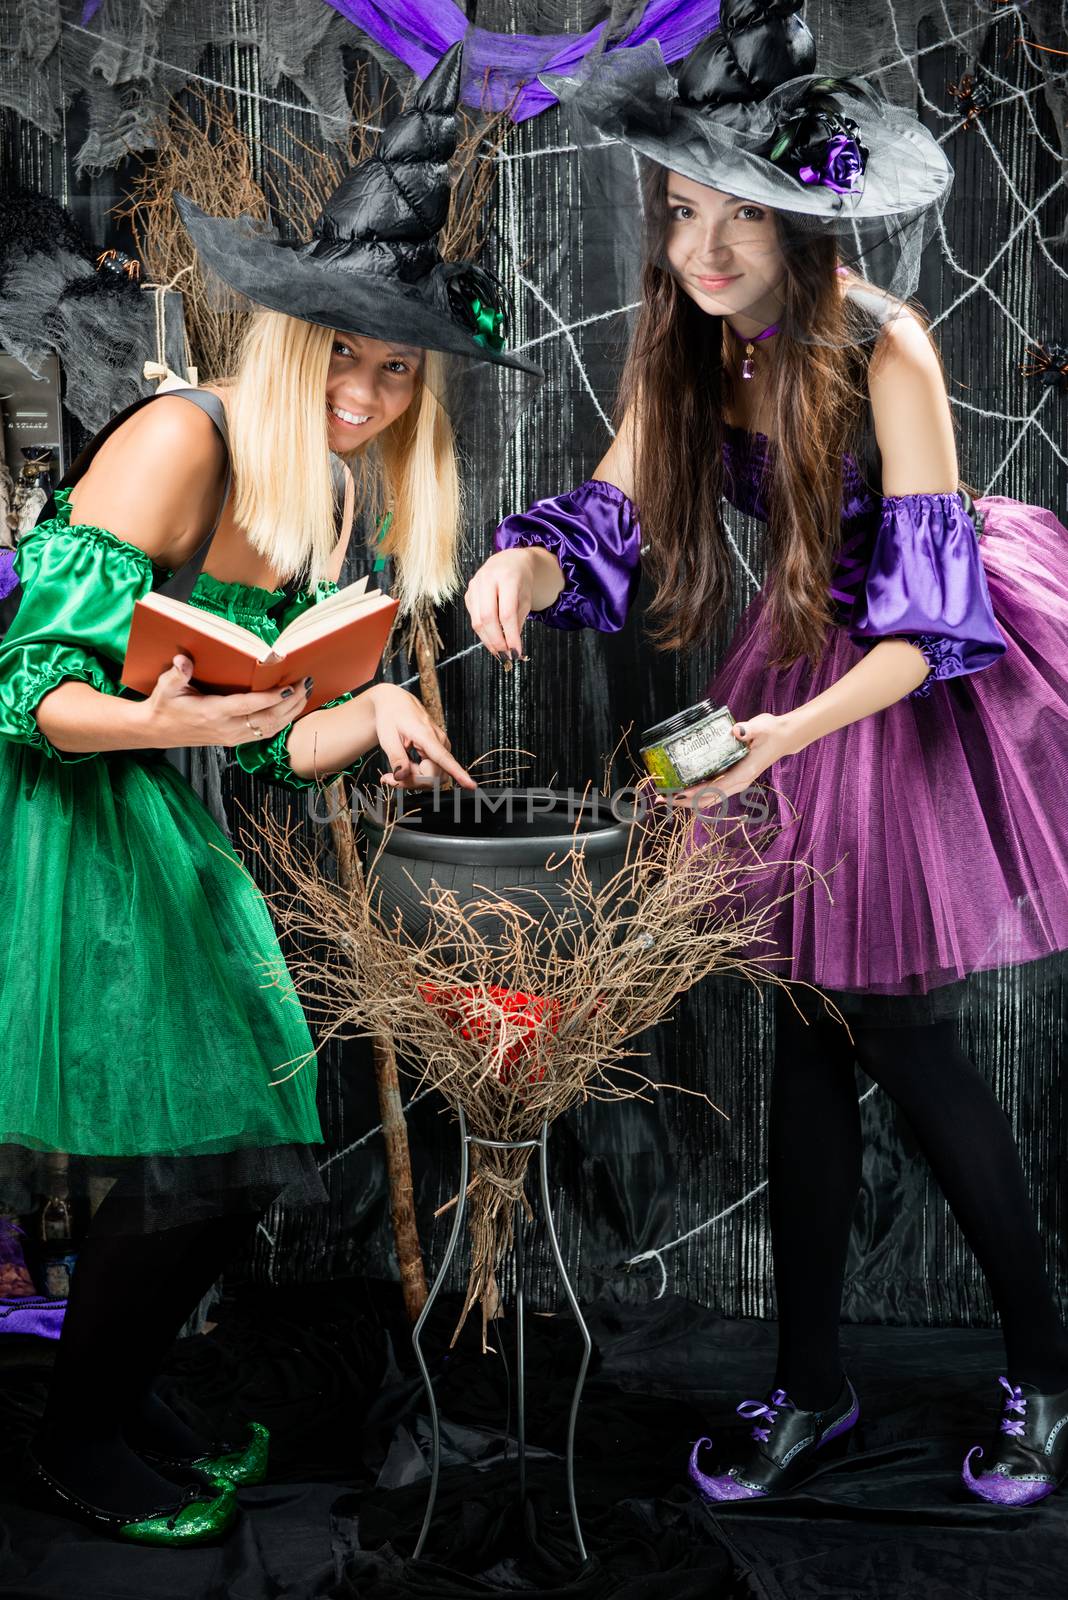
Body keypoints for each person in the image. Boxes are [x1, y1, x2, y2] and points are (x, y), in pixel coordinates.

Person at [464, 2, 1068, 1509]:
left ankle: (1049, 1373)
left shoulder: (886, 346)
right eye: (684, 211)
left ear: (808, 214)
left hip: (912, 669)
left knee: (908, 1043)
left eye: (742, 212)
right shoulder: (684, 343)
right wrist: (520, 575)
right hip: (801, 663)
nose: (706, 247)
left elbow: (930, 632)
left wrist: (786, 738)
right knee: (806, 1025)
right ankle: (813, 1391)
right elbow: (611, 505)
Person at [0, 43, 537, 1545]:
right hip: (61, 807)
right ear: (291, 335)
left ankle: (118, 1393)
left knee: (242, 1141)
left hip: (162, 805)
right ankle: (82, 1435)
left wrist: (364, 711)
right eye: (343, 354)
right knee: (196, 1153)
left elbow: (265, 747)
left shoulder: (338, 499)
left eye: (396, 368)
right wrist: (157, 712)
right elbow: (26, 692)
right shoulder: (186, 439)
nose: (364, 393)